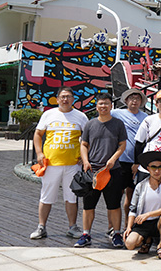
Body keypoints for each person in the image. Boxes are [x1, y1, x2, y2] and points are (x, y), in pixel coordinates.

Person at [30, 87, 87, 240]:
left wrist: (84, 156)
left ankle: (72, 227)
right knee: (46, 196)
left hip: (73, 165)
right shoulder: (48, 115)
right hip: (51, 164)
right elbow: (38, 134)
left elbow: (88, 137)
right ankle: (41, 227)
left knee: (72, 197)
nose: (65, 99)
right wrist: (39, 153)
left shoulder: (81, 117)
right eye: (62, 97)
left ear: (73, 99)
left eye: (68, 96)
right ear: (57, 99)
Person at [75, 92, 127, 248]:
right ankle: (86, 234)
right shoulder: (90, 124)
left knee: (114, 205)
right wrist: (85, 161)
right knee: (88, 205)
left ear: (111, 105)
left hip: (112, 170)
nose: (103, 106)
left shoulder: (118, 124)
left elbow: (122, 145)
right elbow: (84, 144)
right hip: (92, 171)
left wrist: (113, 159)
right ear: (96, 106)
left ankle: (116, 233)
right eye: (101, 103)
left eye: (106, 103)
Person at [124, 151, 161, 260]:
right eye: (153, 167)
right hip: (143, 222)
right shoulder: (140, 186)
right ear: (148, 169)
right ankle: (147, 241)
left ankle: (160, 247)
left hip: (159, 222)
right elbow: (133, 209)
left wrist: (148, 214)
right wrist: (129, 227)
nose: (157, 171)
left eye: (160, 167)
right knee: (130, 244)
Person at [110, 88, 148, 238]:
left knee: (131, 196)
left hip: (137, 162)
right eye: (131, 98)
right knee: (115, 195)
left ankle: (128, 224)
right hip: (120, 160)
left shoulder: (145, 117)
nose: (134, 101)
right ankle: (112, 226)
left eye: (137, 99)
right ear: (126, 100)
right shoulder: (116, 113)